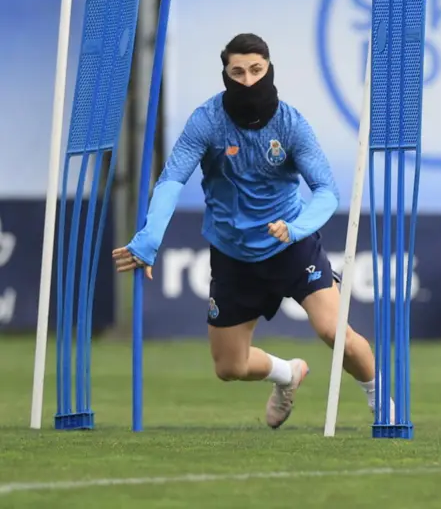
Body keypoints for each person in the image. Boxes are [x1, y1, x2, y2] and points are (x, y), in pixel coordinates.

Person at [112, 33, 381, 430]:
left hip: (291, 243)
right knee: (229, 366)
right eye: (237, 72)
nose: (249, 80)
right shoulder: (206, 121)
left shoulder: (291, 124)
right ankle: (288, 374)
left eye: (256, 70)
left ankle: (381, 402)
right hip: (233, 254)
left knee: (334, 331)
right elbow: (171, 180)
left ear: (270, 69)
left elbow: (327, 191)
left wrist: (297, 228)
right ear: (225, 74)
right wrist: (150, 239)